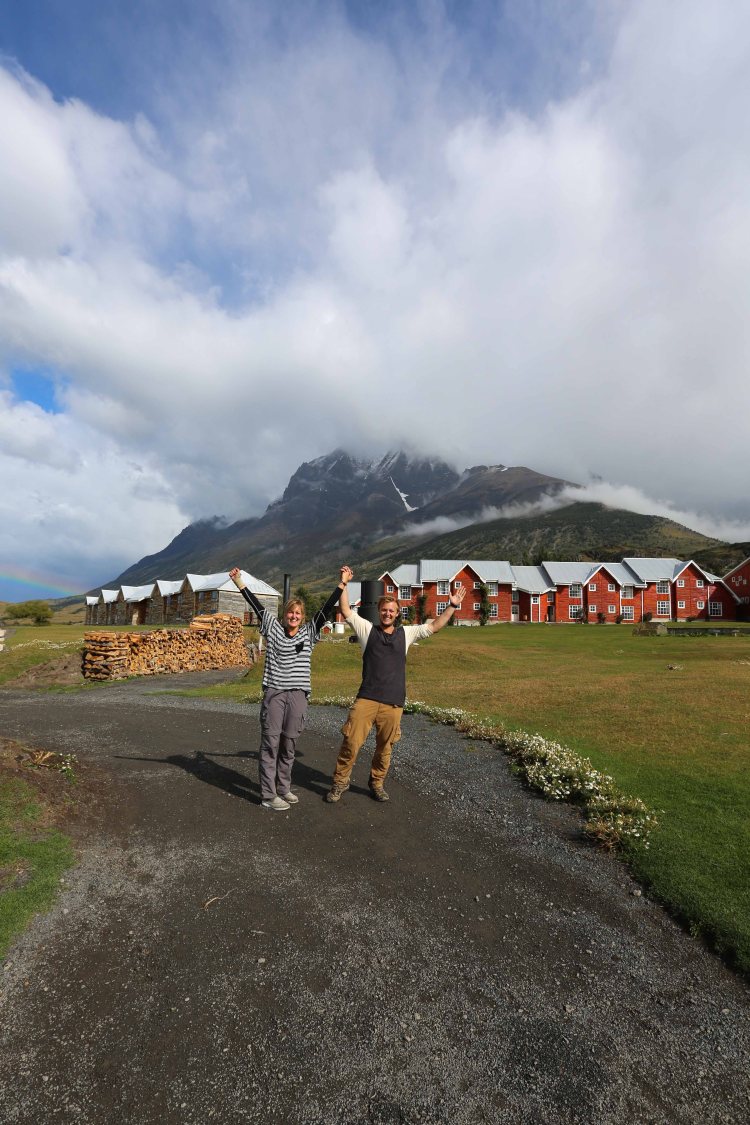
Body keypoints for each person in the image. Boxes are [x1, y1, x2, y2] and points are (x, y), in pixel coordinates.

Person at [326, 569, 467, 803]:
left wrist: (451, 606)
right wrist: (344, 584)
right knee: (350, 742)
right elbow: (346, 611)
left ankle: (377, 783)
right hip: (367, 699)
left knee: (385, 749)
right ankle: (340, 783)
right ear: (379, 612)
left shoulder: (407, 634)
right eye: (384, 610)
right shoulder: (367, 630)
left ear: (397, 613)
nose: (387, 614)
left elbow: (434, 627)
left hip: (393, 702)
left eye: (392, 611)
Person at [229, 566, 347, 811]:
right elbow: (256, 605)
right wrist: (239, 581)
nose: (293, 616)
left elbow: (326, 609)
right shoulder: (272, 627)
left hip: (298, 695)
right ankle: (268, 795)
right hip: (275, 693)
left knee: (289, 745)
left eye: (298, 613)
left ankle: (283, 787)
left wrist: (342, 584)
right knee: (271, 744)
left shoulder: (309, 632)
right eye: (290, 612)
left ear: (302, 617)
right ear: (284, 615)